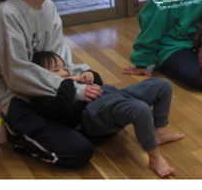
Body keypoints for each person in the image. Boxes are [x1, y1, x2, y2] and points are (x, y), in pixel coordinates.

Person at [0, 0, 102, 168]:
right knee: (79, 151)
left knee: (102, 103)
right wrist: (72, 89)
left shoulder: (48, 6)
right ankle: (19, 136)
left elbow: (58, 57)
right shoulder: (8, 13)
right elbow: (17, 74)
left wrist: (81, 75)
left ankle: (59, 125)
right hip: (18, 97)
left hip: (48, 92)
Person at [29, 51, 183, 178]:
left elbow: (98, 82)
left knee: (162, 84)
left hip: (110, 94)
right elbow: (64, 109)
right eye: (56, 71)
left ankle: (160, 133)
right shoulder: (44, 96)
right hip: (94, 114)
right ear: (43, 77)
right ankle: (155, 158)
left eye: (64, 68)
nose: (64, 72)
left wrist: (89, 75)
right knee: (140, 109)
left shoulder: (70, 79)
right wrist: (68, 82)